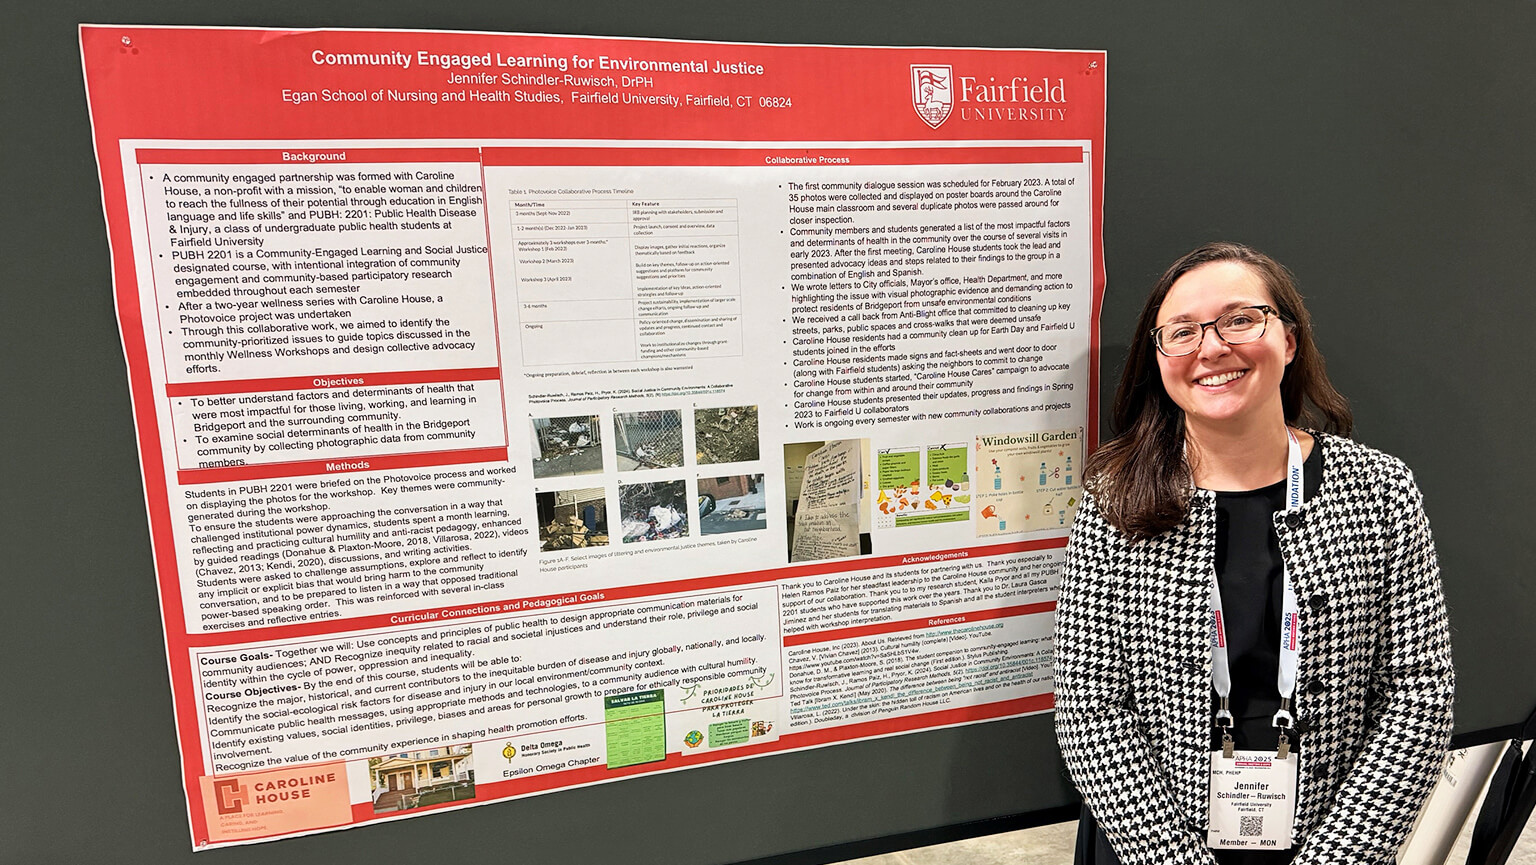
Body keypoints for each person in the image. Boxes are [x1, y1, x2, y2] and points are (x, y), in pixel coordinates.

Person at [1054, 242, 1454, 865]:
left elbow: (1418, 695)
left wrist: (1340, 855)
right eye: (1181, 332)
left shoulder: (1377, 490)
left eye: (1241, 320)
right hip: (1155, 844)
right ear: (1158, 359)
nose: (1211, 348)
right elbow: (1089, 707)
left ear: (1289, 340)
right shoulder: (1118, 498)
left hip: (1331, 835)